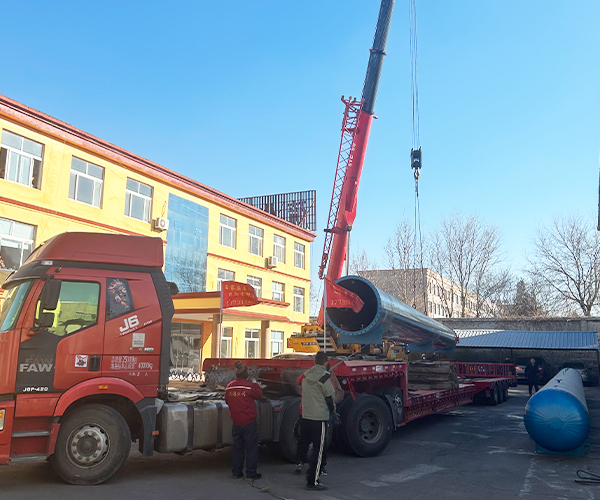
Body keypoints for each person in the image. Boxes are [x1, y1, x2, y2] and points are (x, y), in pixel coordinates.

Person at [299, 351, 338, 491]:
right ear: (326, 363)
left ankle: (300, 463)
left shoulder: (306, 375)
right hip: (319, 418)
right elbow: (330, 396)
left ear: (314, 361)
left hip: (305, 416)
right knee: (319, 450)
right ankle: (313, 481)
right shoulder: (325, 377)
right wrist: (333, 411)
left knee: (305, 443)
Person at [225, 360, 264, 480]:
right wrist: (255, 383)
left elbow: (227, 401)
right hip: (249, 422)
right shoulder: (249, 386)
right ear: (246, 375)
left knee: (238, 447)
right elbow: (259, 395)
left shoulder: (229, 386)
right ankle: (251, 473)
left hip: (236, 422)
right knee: (251, 448)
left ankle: (236, 472)